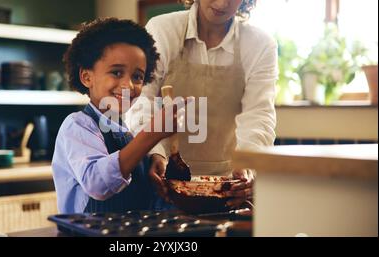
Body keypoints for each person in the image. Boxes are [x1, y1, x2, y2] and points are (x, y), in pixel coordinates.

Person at [126, 0, 278, 208]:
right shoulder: (162, 29)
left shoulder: (260, 44)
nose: (222, 3)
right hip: (165, 181)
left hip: (229, 188)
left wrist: (248, 164)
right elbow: (142, 100)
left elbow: (259, 114)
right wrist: (155, 152)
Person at [52, 18, 187, 213]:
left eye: (137, 76)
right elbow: (98, 184)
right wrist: (152, 134)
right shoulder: (77, 126)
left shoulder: (129, 133)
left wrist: (157, 175)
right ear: (87, 77)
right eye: (116, 72)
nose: (129, 86)